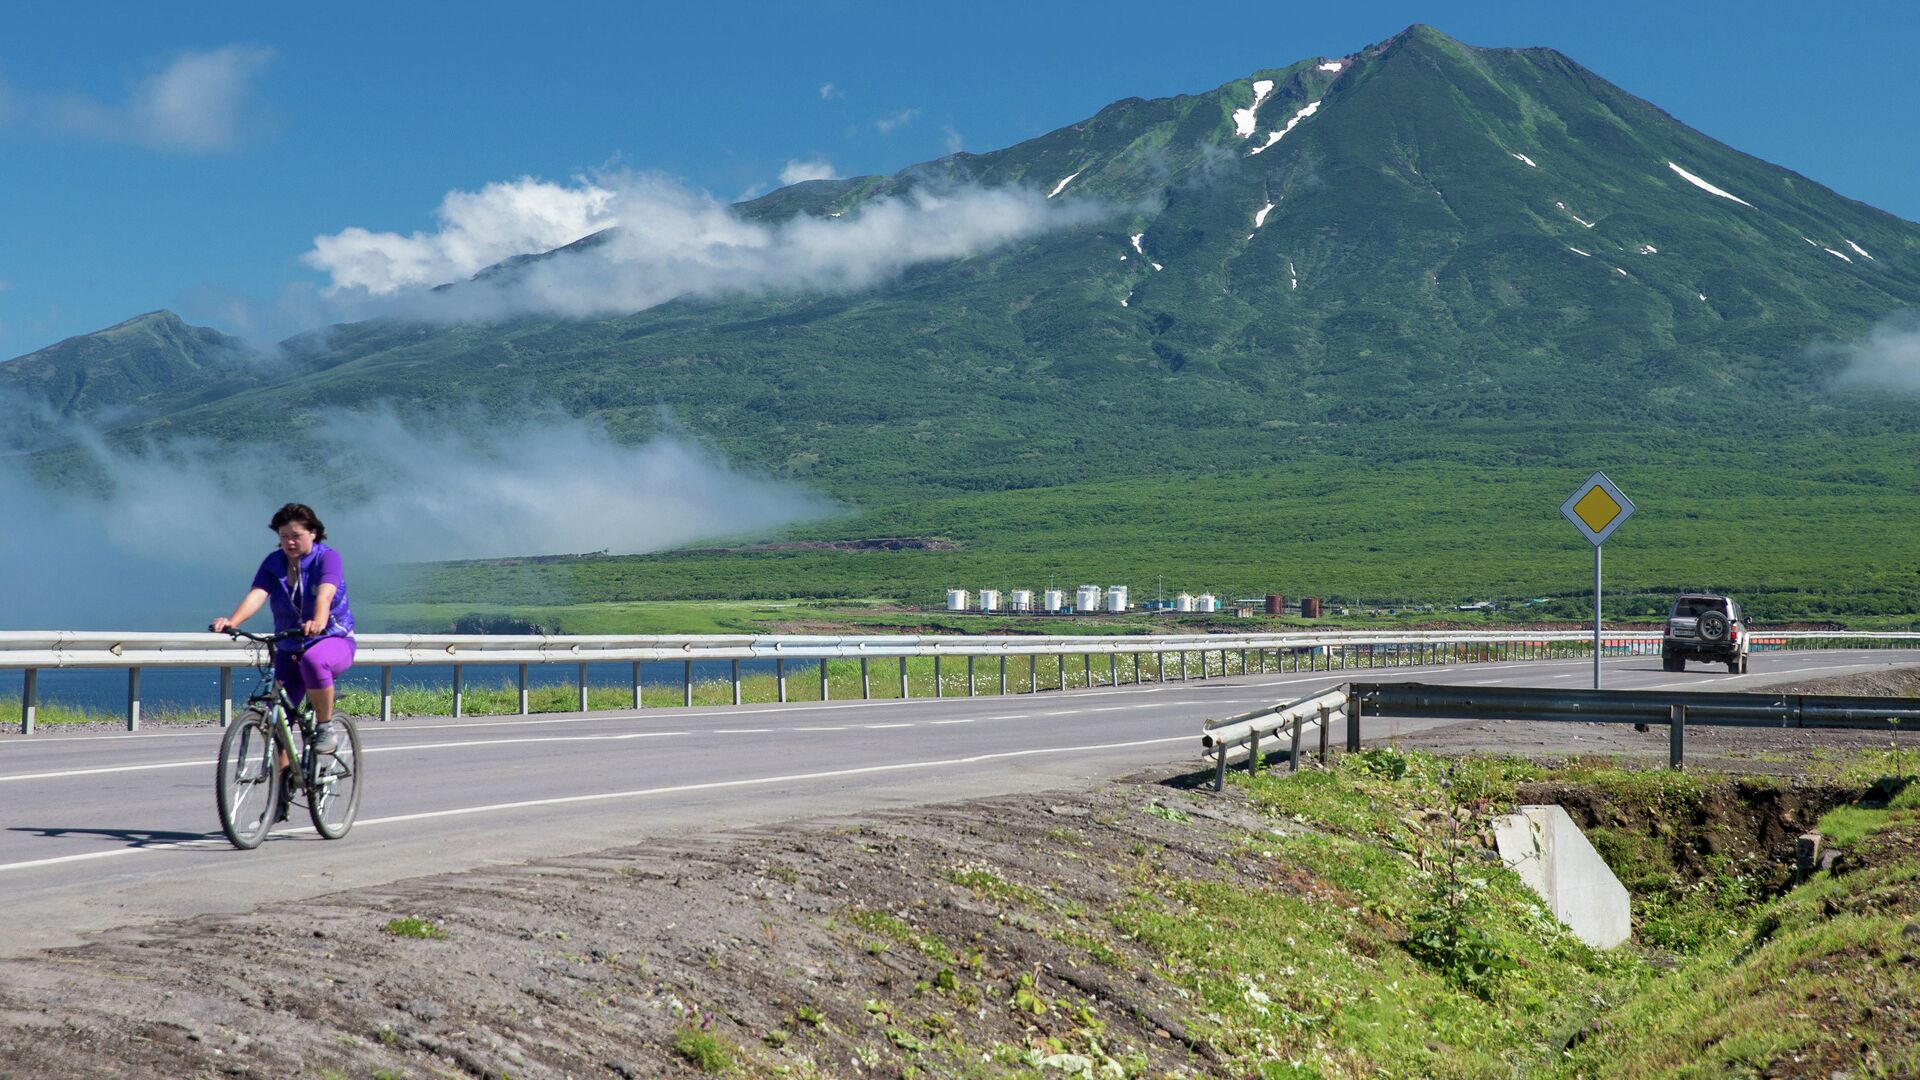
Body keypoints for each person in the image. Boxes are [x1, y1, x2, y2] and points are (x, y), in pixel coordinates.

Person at [212, 503, 356, 764]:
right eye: (284, 536)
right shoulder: (274, 563)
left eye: (296, 535)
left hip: (333, 639)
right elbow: (257, 594)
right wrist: (231, 621)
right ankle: (283, 790)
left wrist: (319, 621)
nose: (289, 542)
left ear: (313, 533)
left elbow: (325, 593)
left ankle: (324, 726)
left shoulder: (327, 557)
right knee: (276, 720)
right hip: (290, 644)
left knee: (315, 660)